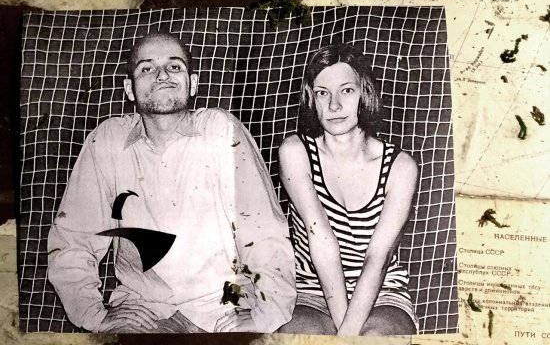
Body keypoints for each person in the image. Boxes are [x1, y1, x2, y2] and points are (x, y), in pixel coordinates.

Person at [47, 31, 296, 334]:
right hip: (145, 310)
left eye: (174, 66)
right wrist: (94, 315)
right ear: (129, 88)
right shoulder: (108, 140)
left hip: (227, 303)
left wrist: (268, 313)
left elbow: (263, 231)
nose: (162, 75)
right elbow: (74, 240)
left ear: (193, 83)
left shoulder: (221, 130)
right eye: (147, 68)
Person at [277, 43, 419, 336]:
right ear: (311, 99)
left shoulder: (400, 167)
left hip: (381, 294)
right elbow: (322, 243)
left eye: (346, 90)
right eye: (322, 93)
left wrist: (348, 334)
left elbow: (378, 258)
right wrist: (345, 335)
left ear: (365, 93)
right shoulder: (295, 151)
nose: (334, 105)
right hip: (310, 291)